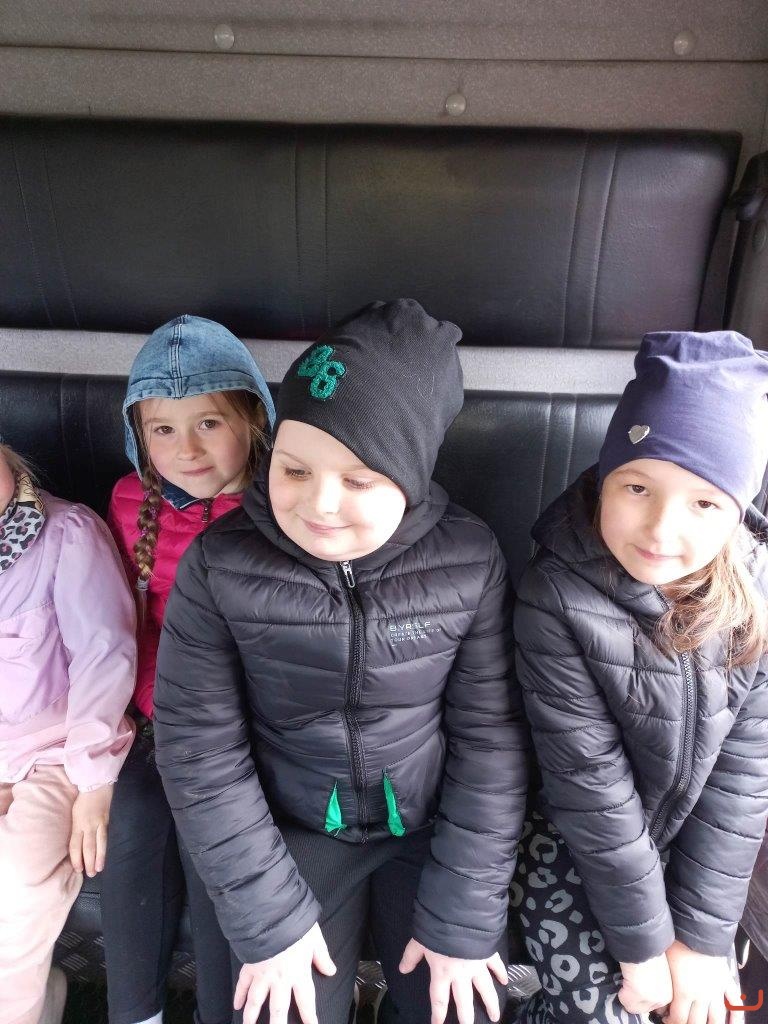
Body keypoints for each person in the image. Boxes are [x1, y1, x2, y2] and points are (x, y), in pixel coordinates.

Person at [152, 299, 529, 1024]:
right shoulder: (219, 565)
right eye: (294, 469)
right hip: (290, 830)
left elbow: (491, 741)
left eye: (359, 480)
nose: (319, 504)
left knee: (465, 1006)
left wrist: (464, 912)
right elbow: (198, 748)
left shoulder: (469, 558)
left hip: (427, 826)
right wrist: (269, 921)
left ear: (411, 478)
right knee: (273, 1009)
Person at [513, 330, 768, 1024]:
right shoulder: (556, 595)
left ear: (736, 511)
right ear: (603, 479)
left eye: (704, 503)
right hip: (571, 841)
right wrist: (645, 947)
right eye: (636, 487)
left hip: (690, 843)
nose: (660, 528)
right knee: (608, 1010)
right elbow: (589, 787)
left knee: (710, 1007)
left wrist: (701, 939)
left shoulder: (752, 593)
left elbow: (743, 775)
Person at [101, 314, 276, 1024]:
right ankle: (134, 1012)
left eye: (208, 423)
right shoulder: (129, 501)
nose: (186, 449)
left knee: (218, 849)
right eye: (163, 429)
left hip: (248, 728)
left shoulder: (282, 507)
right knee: (133, 825)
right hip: (159, 716)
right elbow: (130, 621)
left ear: (254, 421)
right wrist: (152, 706)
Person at [0, 440, 136, 1024]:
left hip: (55, 753)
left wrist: (93, 784)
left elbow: (103, 657)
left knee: (15, 888)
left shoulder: (66, 535)